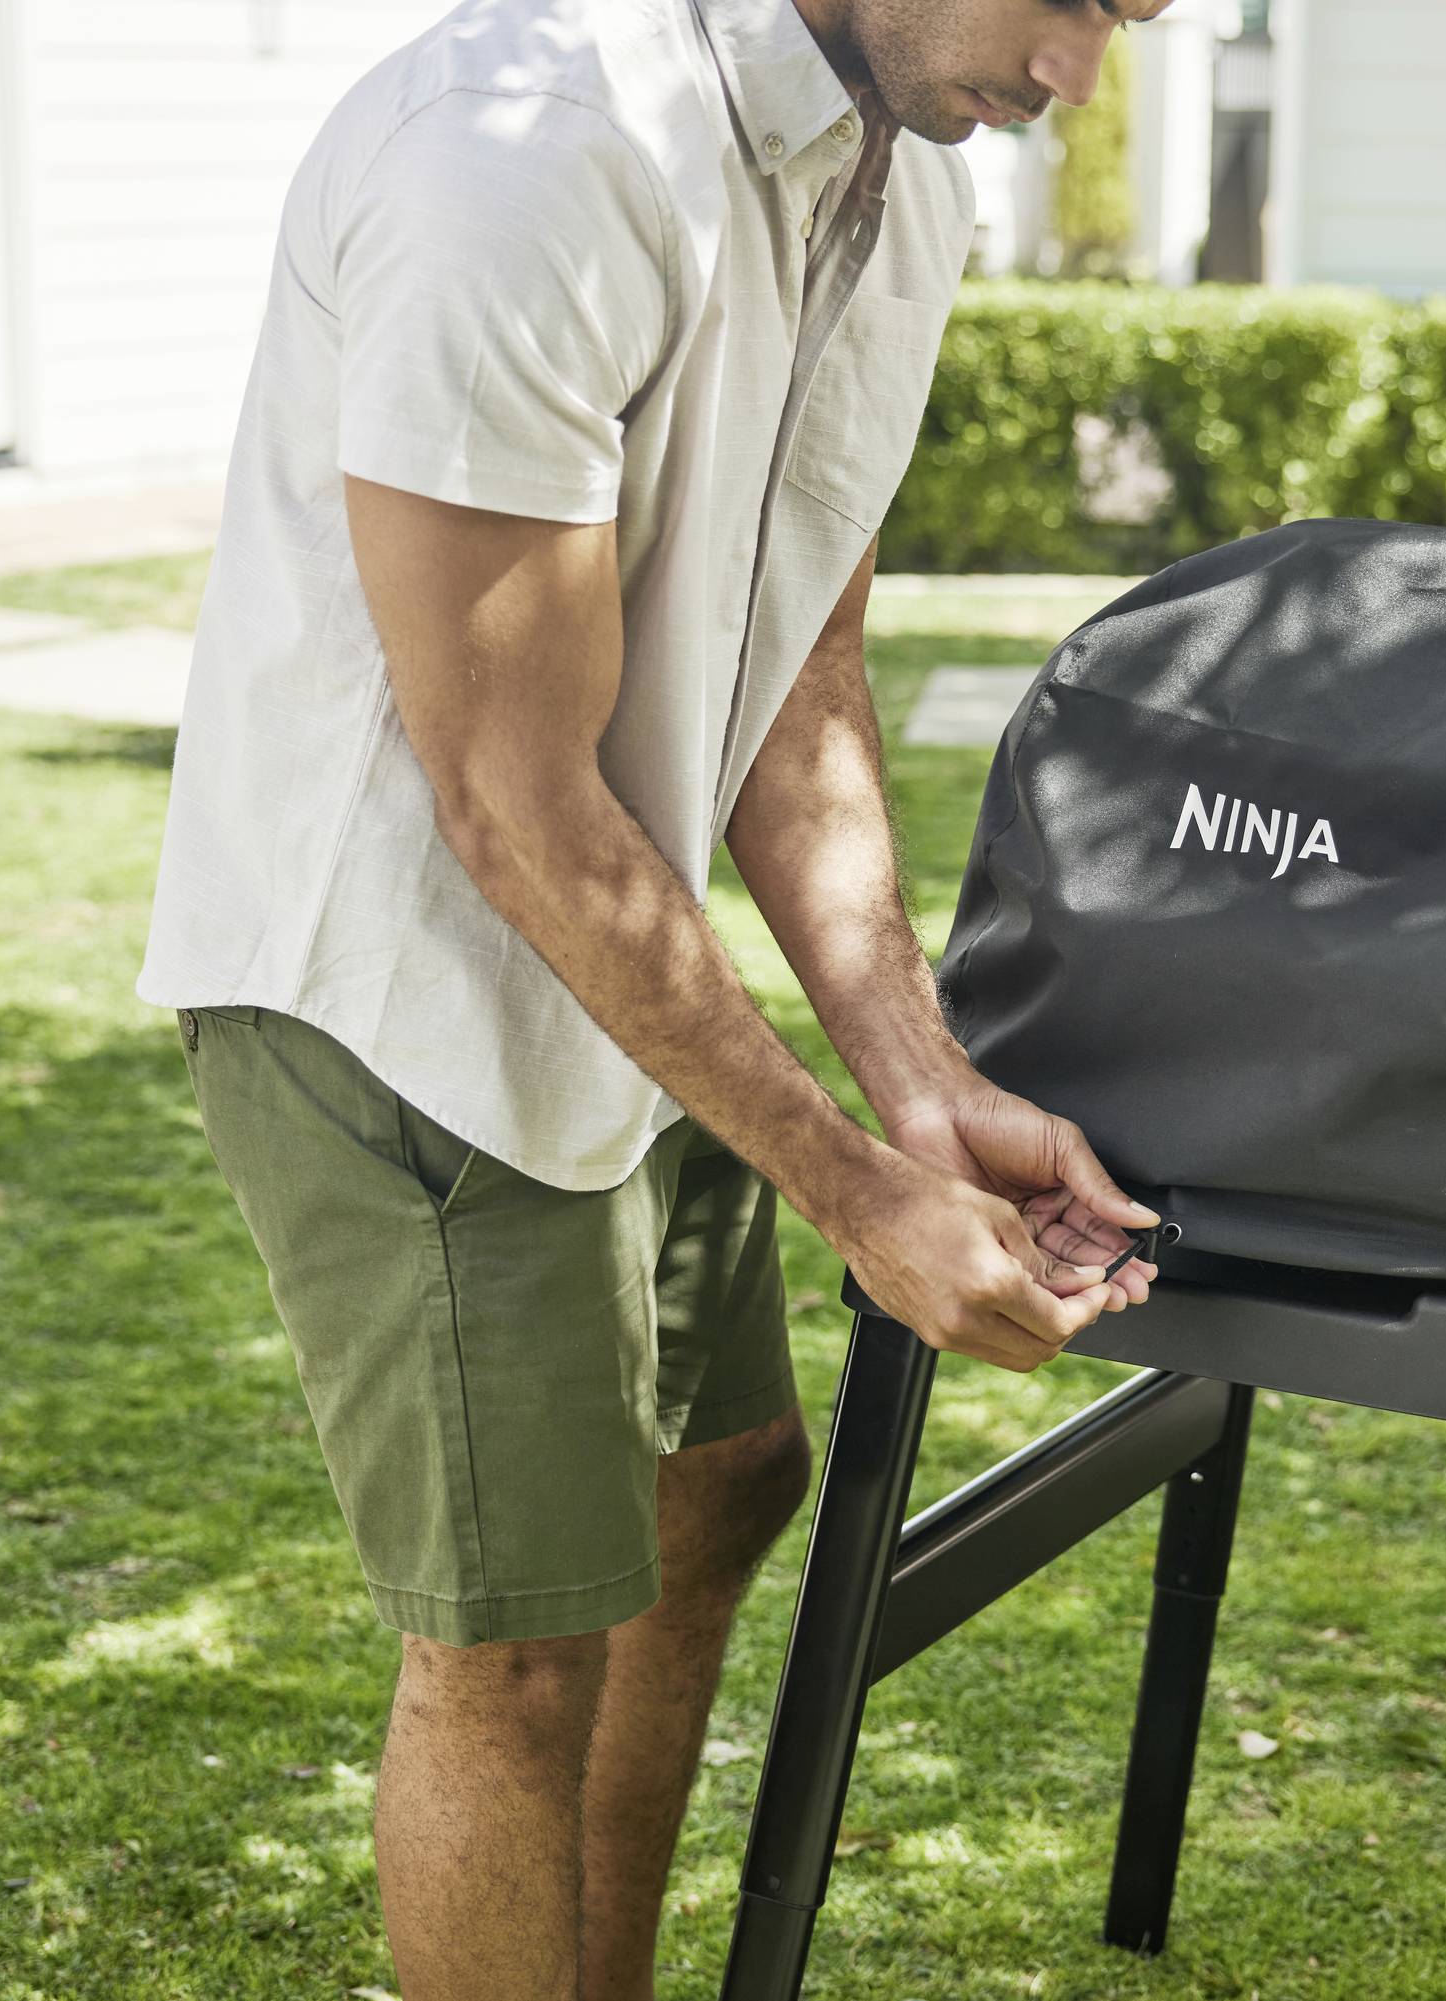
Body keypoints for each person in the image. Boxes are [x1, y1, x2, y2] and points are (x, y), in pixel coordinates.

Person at [134, 0, 1174, 1993]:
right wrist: (858, 1196)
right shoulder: (520, 157)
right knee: (512, 1645)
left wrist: (910, 1078)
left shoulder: (898, 177)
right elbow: (506, 797)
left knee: (721, 1477)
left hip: (621, 943)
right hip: (396, 972)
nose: (1073, 81)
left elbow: (800, 672)